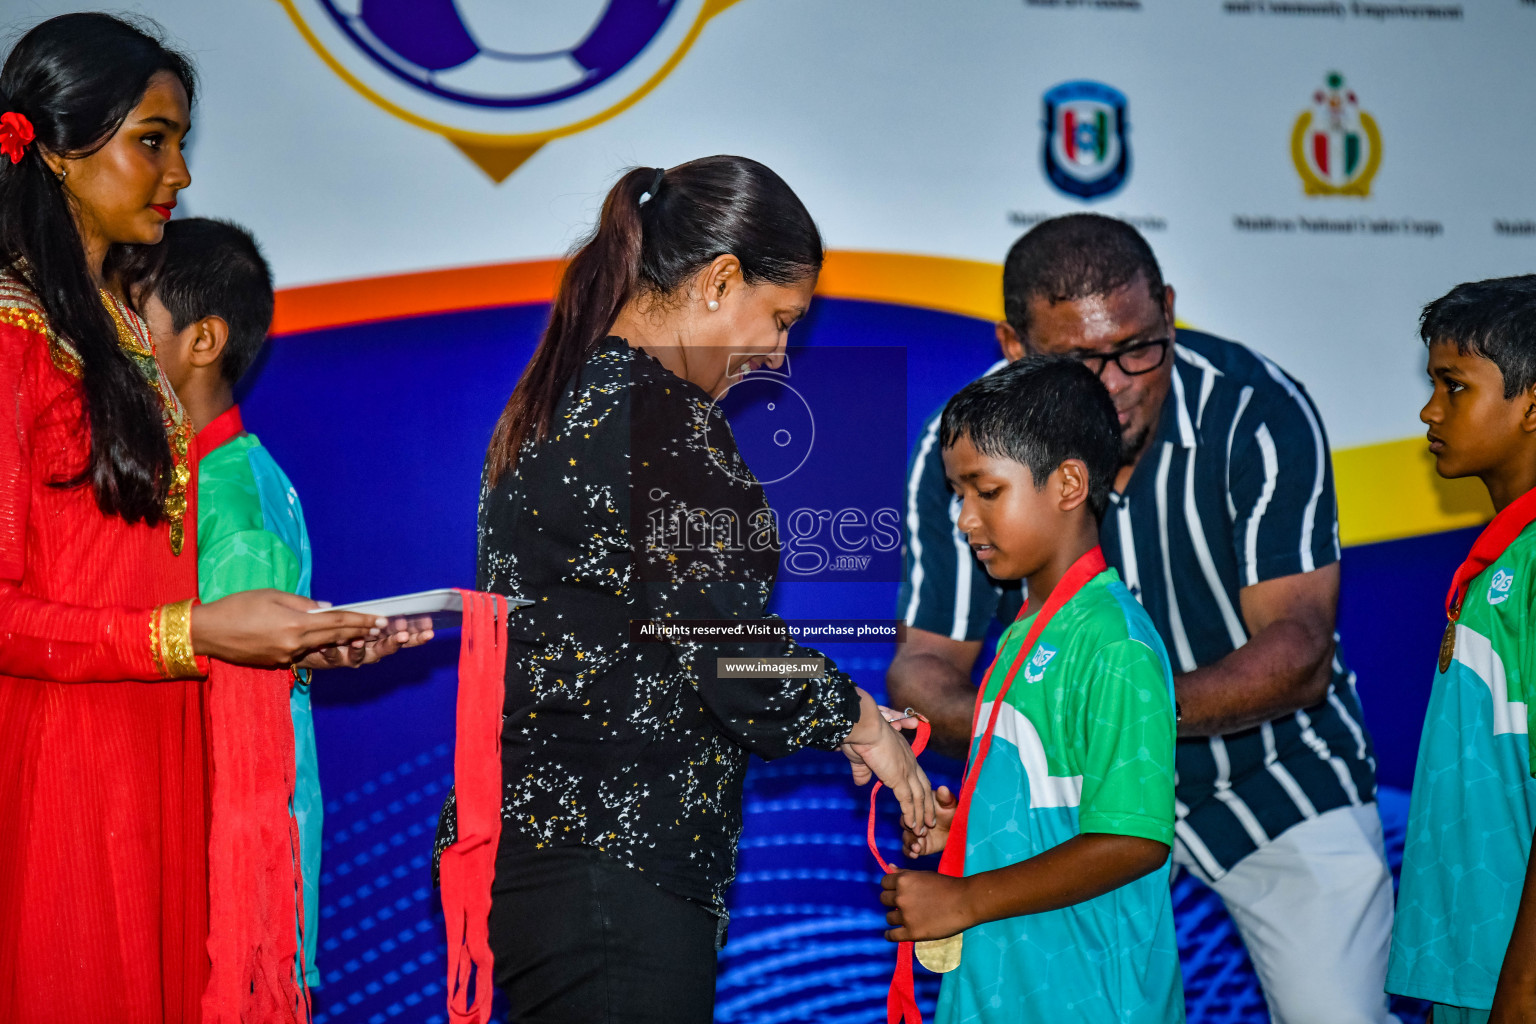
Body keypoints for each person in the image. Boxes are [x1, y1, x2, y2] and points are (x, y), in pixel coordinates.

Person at [433, 156, 935, 1022]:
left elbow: (652, 648)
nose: (780, 354)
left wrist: (832, 710)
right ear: (720, 280)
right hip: (614, 882)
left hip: (555, 873)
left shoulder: (566, 402)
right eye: (780, 320)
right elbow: (726, 651)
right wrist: (858, 722)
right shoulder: (664, 423)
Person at [888, 214, 1394, 1023]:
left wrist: (1103, 719)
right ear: (1014, 346)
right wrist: (1015, 757)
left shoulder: (1255, 410)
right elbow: (924, 666)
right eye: (1079, 360)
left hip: (1271, 778)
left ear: (1167, 307)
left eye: (1138, 346)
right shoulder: (972, 447)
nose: (1116, 382)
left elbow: (1299, 653)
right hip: (1061, 804)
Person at [0, 14, 393, 1021]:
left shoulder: (125, 334)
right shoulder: (8, 345)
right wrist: (190, 633)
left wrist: (279, 641)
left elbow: (143, 577)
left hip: (161, 757)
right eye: (152, 139)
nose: (177, 173)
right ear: (52, 145)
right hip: (62, 773)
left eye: (180, 143)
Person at [125, 216, 431, 989]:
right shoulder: (219, 475)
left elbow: (243, 728)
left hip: (226, 861)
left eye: (134, 313)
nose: (114, 334)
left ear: (202, 341)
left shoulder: (229, 498)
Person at [881, 356, 1183, 1022]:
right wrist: (966, 831)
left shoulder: (1115, 642)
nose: (963, 520)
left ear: (1069, 483)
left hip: (1088, 998)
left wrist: (965, 899)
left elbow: (1134, 840)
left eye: (985, 491)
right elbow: (1063, 811)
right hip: (1003, 990)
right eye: (958, 495)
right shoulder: (1023, 632)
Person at [1386, 276, 1536, 1024]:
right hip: (1475, 970)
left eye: (1453, 386)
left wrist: (1523, 991)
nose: (1428, 410)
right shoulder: (1503, 560)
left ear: (1533, 404)